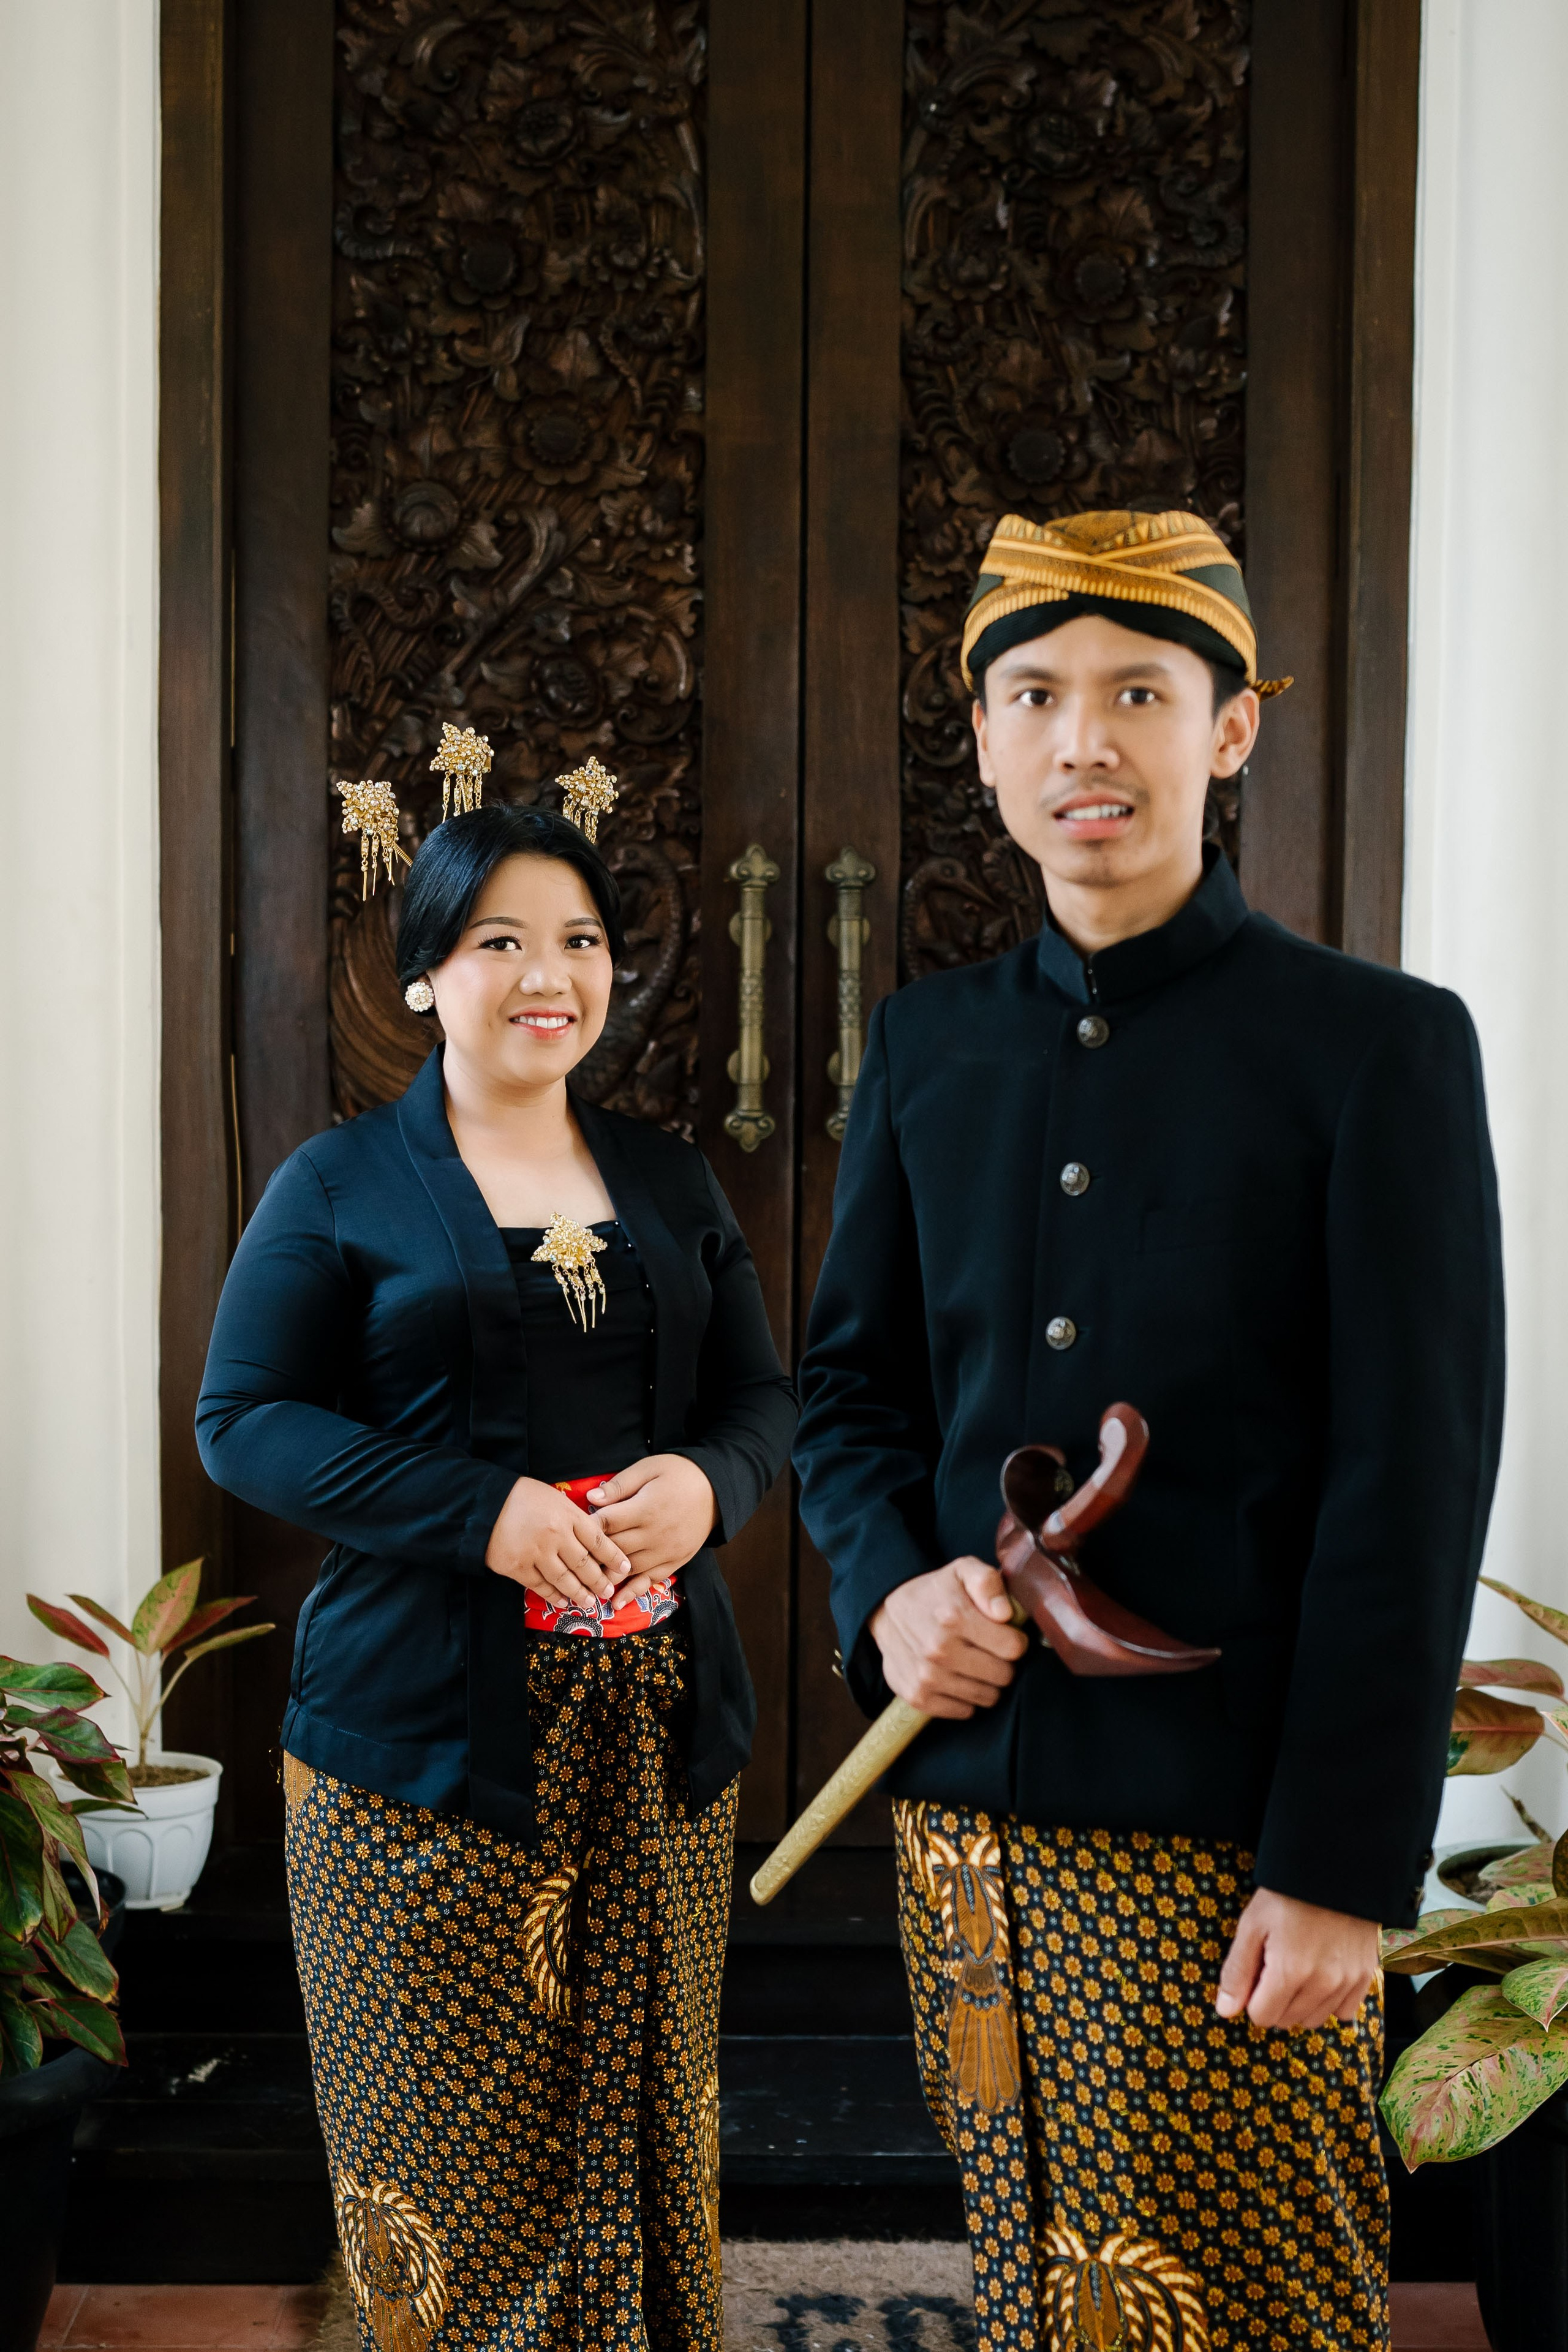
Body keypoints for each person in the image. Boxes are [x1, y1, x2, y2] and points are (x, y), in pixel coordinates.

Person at [794, 508, 1504, 2352]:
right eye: (1032, 695)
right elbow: (851, 1394)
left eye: (1136, 693)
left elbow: (1409, 1489)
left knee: (1242, 2308)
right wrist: (889, 1595)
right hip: (965, 1830)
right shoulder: (930, 1048)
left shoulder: (1377, 1050)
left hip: (1229, 1844)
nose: (1081, 742)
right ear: (982, 739)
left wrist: (1342, 1865)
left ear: (1233, 728)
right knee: (1038, 2292)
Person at [197, 788, 795, 2352]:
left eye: (581, 941)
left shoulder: (668, 1180)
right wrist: (486, 1515)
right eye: (500, 941)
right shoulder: (337, 1184)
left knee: (649, 2127)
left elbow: (764, 1401)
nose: (552, 973)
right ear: (421, 977)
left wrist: (708, 1482)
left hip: (655, 1740)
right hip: (418, 1749)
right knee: (451, 2162)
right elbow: (241, 1423)